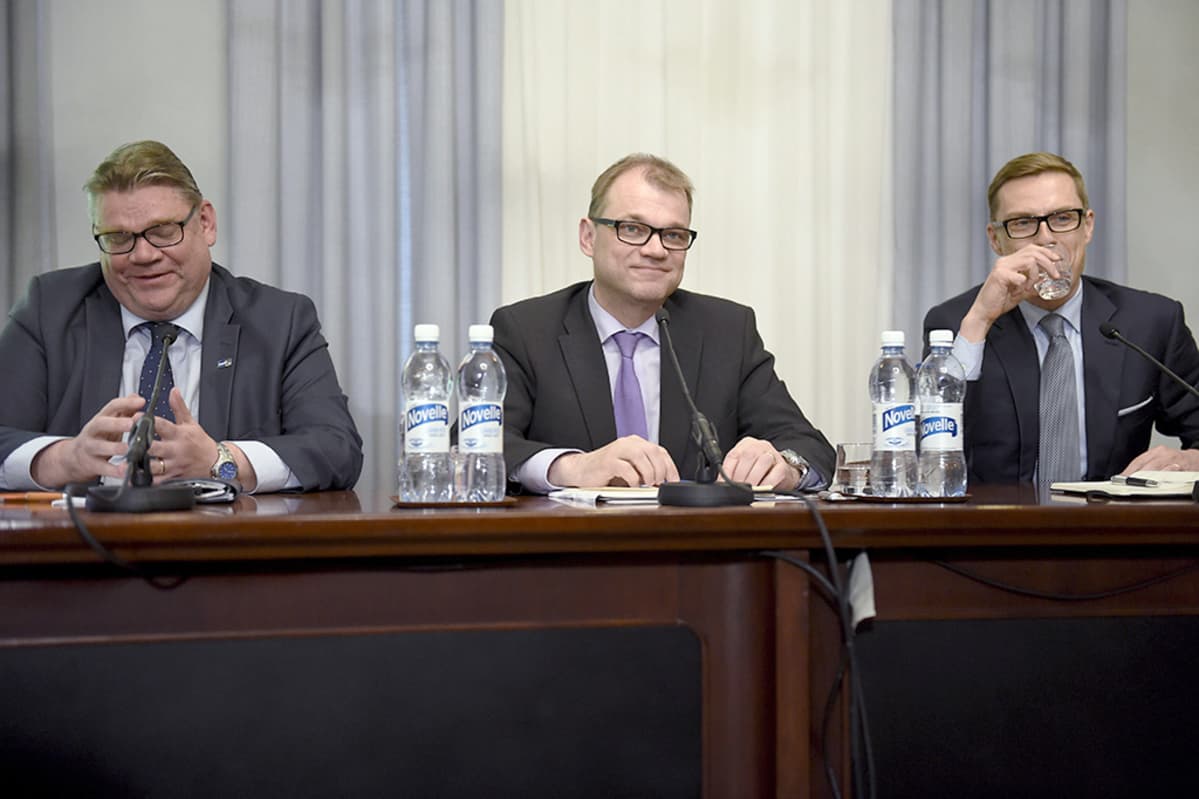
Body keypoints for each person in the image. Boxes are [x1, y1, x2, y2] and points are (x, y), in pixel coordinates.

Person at [0, 140, 362, 493]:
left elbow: (336, 449)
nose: (143, 255)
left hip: (224, 546)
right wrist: (64, 459)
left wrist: (220, 459)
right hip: (80, 546)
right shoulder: (49, 310)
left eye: (162, 231)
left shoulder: (280, 322)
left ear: (205, 223)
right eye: (118, 237)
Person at [491, 153, 834, 493]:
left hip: (697, 543)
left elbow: (809, 447)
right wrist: (572, 467)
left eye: (673, 235)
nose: (656, 250)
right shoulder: (525, 330)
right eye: (633, 229)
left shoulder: (727, 331)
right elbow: (477, 443)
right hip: (571, 543)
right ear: (588, 237)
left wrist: (784, 466)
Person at [923, 151, 1199, 486]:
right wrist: (979, 321)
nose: (1046, 238)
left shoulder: (1150, 322)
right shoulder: (957, 323)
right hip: (996, 531)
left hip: (1114, 530)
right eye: (1023, 223)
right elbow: (926, 455)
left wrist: (1188, 459)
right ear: (996, 239)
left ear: (1088, 226)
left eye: (1063, 218)